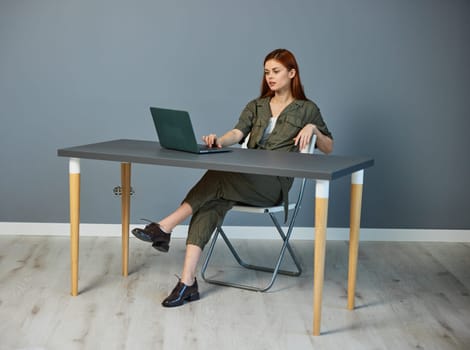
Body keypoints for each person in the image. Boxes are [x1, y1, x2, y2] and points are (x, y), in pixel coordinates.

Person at [132, 48, 333, 307]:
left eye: (276, 71)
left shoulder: (307, 109)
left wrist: (313, 129)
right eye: (266, 72)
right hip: (244, 180)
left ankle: (164, 227)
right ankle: (187, 283)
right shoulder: (257, 105)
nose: (270, 77)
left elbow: (329, 147)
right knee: (210, 202)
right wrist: (218, 140)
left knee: (218, 177)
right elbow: (237, 134)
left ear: (292, 73)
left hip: (273, 185)